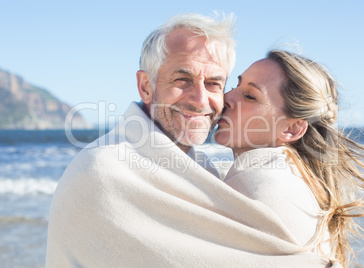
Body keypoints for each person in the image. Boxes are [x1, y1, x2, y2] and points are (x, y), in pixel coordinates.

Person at [46, 14, 340, 267]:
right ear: (146, 87)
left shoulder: (212, 171)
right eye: (182, 79)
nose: (203, 100)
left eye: (214, 83)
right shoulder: (104, 169)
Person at [214, 49, 364, 268]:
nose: (226, 97)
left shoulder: (260, 184)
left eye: (250, 96)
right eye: (236, 85)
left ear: (292, 129)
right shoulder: (294, 175)